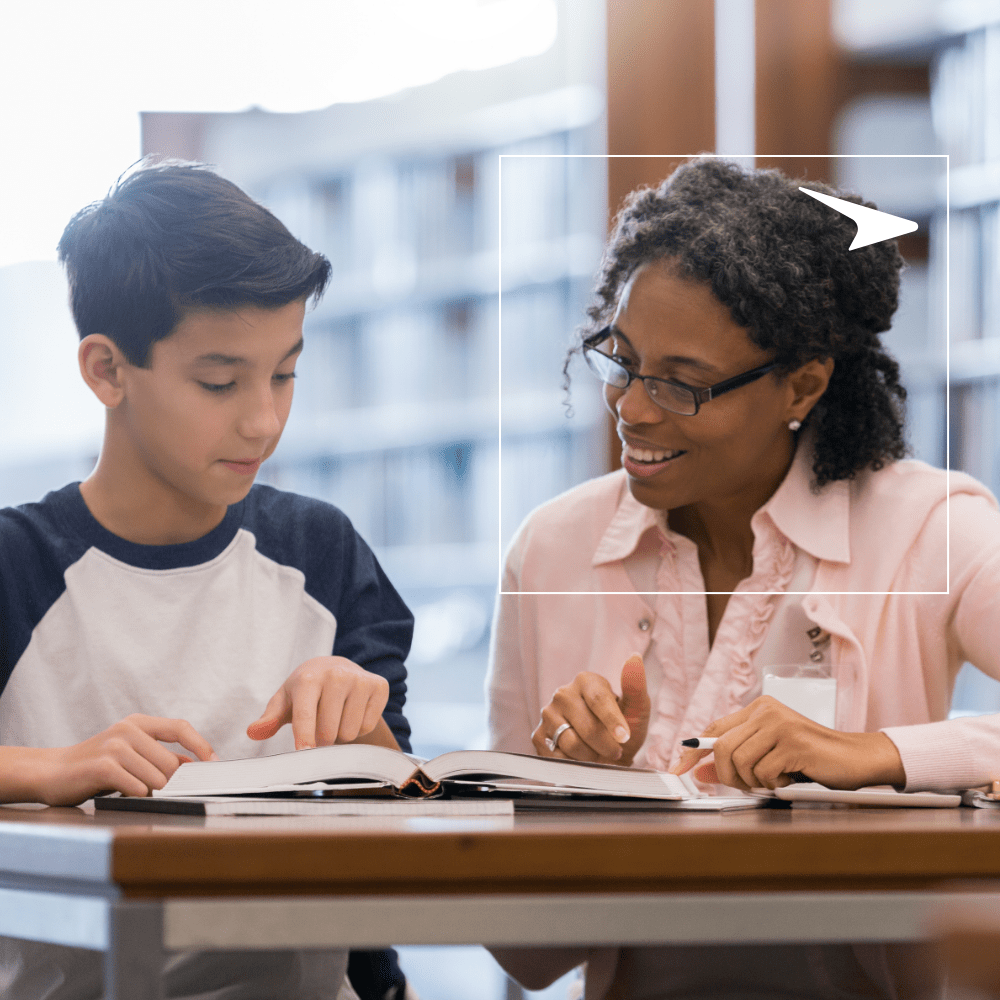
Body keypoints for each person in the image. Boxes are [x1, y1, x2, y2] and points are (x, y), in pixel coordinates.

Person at [486, 158, 1000, 999]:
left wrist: (878, 755)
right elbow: (526, 957)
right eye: (621, 361)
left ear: (803, 383)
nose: (633, 409)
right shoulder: (552, 550)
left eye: (683, 385)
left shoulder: (928, 530)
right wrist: (583, 794)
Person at [0, 161, 414, 1000]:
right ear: (107, 371)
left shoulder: (320, 550)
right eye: (220, 382)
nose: (263, 419)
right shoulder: (19, 563)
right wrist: (47, 769)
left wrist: (361, 730)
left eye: (284, 373)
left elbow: (407, 797)